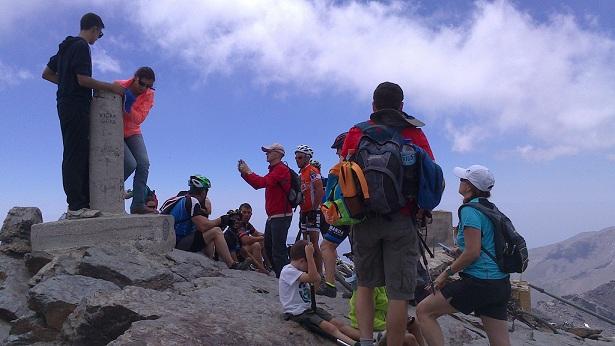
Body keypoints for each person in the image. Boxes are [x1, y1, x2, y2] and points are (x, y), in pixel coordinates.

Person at [340, 82, 435, 346]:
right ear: (401, 106)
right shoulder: (413, 133)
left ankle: (367, 342)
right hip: (402, 220)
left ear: (373, 105)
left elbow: (343, 174)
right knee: (398, 293)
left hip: (363, 219)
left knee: (365, 284)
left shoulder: (356, 132)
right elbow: (430, 175)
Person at [42, 12, 125, 219]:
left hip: (65, 103)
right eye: (99, 34)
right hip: (76, 105)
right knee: (76, 153)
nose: (97, 38)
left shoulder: (65, 46)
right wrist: (111, 87)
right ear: (95, 29)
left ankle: (80, 203)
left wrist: (66, 83)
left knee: (74, 151)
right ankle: (76, 206)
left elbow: (47, 74)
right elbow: (83, 80)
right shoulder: (81, 46)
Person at [416, 165, 511, 346]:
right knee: (501, 342)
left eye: (462, 179)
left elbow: (473, 253)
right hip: (500, 284)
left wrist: (445, 274)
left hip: (479, 282)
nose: (459, 182)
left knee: (424, 311)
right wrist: (460, 252)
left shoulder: (469, 210)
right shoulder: (490, 208)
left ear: (469, 186)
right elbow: (481, 247)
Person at [160, 175, 247, 270]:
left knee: (212, 230)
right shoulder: (193, 201)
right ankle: (232, 265)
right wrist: (222, 219)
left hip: (170, 239)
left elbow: (204, 224)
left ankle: (210, 260)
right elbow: (203, 226)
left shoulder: (180, 199)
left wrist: (223, 221)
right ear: (203, 192)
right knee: (216, 231)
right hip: (179, 243)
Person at [279, 240, 357, 345]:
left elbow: (315, 281)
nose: (311, 266)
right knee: (330, 327)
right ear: (302, 261)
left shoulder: (299, 272)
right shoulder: (287, 271)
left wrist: (310, 260)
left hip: (309, 308)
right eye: (310, 263)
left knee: (338, 323)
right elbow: (313, 277)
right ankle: (354, 343)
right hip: (297, 312)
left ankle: (368, 338)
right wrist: (310, 257)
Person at [238, 143, 293, 278]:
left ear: (278, 154)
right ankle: (282, 277)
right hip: (274, 217)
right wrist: (244, 173)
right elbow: (258, 184)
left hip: (281, 216)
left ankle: (285, 279)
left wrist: (248, 172)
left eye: (269, 151)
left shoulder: (281, 169)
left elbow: (261, 183)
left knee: (278, 250)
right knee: (269, 247)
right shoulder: (274, 170)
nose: (266, 153)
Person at [115, 67, 158, 214]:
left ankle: (137, 204)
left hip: (133, 131)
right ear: (135, 78)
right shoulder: (119, 86)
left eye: (148, 86)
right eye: (142, 84)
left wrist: (128, 105)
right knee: (130, 163)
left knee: (143, 163)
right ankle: (112, 189)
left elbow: (139, 119)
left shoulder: (149, 95)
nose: (144, 88)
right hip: (115, 131)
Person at [317, 132, 351, 298]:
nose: (337, 152)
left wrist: (327, 212)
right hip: (366, 215)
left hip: (344, 216)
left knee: (326, 246)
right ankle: (362, 289)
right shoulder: (363, 165)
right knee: (362, 251)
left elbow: (330, 196)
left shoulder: (337, 169)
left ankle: (330, 285)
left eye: (337, 149)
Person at [347, 287, 424, 346]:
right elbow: (359, 318)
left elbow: (389, 309)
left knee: (414, 323)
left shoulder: (384, 287)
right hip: (369, 328)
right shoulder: (366, 290)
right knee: (410, 338)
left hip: (382, 325)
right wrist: (388, 326)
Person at [294, 145, 324, 274]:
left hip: (313, 211)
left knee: (314, 244)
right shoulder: (301, 173)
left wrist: (313, 208)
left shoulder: (312, 170)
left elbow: (319, 190)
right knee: (306, 243)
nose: (297, 160)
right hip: (304, 211)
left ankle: (318, 274)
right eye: (296, 158)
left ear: (307, 157)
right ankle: (308, 270)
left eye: (300, 157)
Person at [223, 204, 269, 274]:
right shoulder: (238, 225)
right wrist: (262, 237)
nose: (246, 215)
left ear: (251, 214)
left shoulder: (247, 224)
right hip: (236, 250)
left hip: (241, 249)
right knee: (256, 245)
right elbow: (246, 240)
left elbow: (256, 233)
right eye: (244, 212)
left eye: (248, 212)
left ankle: (267, 265)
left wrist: (267, 236)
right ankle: (259, 268)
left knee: (261, 242)